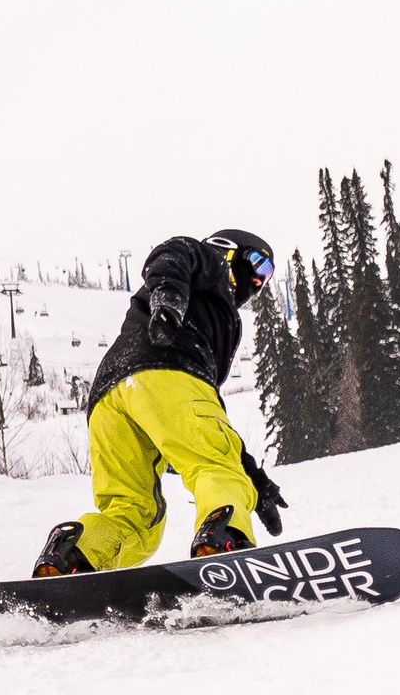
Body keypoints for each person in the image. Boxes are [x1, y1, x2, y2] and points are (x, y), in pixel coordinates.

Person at [32, 230, 288, 575]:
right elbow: (171, 254)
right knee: (216, 469)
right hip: (167, 372)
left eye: (269, 274)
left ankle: (75, 557)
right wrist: (168, 302)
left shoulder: (213, 309)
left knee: (133, 514)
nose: (259, 279)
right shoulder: (207, 262)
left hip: (110, 398)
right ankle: (225, 546)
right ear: (229, 251)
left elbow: (207, 418)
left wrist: (256, 481)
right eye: (259, 262)